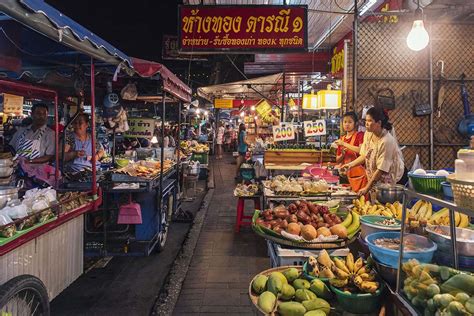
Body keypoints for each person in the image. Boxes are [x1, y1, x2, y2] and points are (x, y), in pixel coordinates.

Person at [341, 107, 404, 196]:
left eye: (370, 121)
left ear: (378, 123)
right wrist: (350, 165)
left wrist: (367, 187)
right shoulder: (368, 133)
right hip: (374, 178)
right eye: (366, 120)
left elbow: (381, 169)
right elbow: (364, 155)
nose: (366, 123)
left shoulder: (387, 141)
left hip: (388, 182)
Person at [334, 112, 367, 192]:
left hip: (358, 175)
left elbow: (361, 151)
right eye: (345, 122)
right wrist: (342, 154)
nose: (347, 124)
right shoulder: (342, 139)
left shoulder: (360, 135)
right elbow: (337, 160)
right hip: (345, 174)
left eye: (350, 122)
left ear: (355, 123)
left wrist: (344, 144)